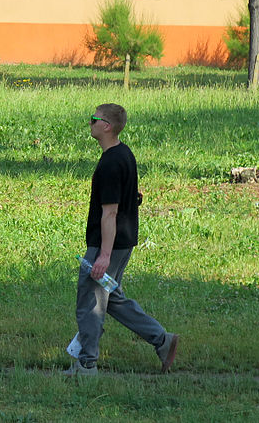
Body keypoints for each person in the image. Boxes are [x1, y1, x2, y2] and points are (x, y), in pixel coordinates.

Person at [65, 103, 178, 376]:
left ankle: (87, 363)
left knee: (91, 299)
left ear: (106, 126)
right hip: (123, 239)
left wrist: (103, 256)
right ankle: (162, 340)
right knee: (111, 297)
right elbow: (132, 195)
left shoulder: (111, 163)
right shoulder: (124, 153)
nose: (89, 123)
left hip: (110, 243)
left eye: (93, 119)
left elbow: (110, 212)